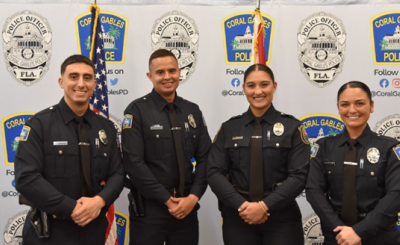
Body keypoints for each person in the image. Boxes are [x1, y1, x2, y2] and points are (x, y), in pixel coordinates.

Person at [14, 54, 124, 245]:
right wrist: (72, 208)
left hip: (93, 230)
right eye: (74, 77)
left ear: (94, 84)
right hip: (50, 233)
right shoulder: (40, 124)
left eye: (87, 77)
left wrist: (99, 201)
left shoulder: (105, 128)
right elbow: (26, 177)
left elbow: (118, 173)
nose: (81, 84)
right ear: (61, 82)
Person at [207, 64, 310, 245]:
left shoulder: (292, 127)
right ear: (243, 88)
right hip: (238, 217)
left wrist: (264, 206)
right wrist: (242, 206)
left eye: (264, 84)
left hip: (282, 218)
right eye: (251, 85)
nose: (258, 91)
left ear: (274, 86)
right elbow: (214, 172)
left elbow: (299, 176)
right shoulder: (229, 128)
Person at [122, 49, 211, 245]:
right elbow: (133, 163)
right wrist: (168, 200)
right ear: (150, 76)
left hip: (187, 208)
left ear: (179, 71)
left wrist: (194, 196)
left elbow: (206, 158)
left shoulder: (192, 111)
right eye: (160, 72)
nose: (167, 77)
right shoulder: (137, 111)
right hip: (149, 210)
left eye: (172, 71)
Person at [306, 81, 400, 245]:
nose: (352, 110)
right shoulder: (323, 147)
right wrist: (343, 233)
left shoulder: (390, 147)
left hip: (379, 237)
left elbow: (396, 194)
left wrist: (359, 232)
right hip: (337, 237)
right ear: (338, 108)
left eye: (360, 103)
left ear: (371, 105)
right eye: (345, 104)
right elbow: (314, 191)